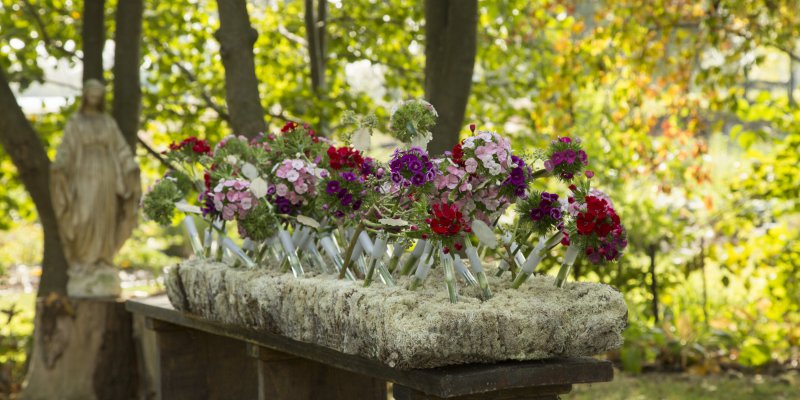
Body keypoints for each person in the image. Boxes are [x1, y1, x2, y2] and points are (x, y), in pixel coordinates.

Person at [50, 79, 140, 297]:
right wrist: (59, 164)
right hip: (83, 175)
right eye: (92, 93)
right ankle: (84, 263)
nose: (95, 98)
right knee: (84, 216)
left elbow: (120, 149)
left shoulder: (107, 122)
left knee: (104, 217)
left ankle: (102, 260)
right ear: (86, 95)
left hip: (107, 177)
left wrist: (130, 165)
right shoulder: (76, 122)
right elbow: (66, 149)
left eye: (99, 94)